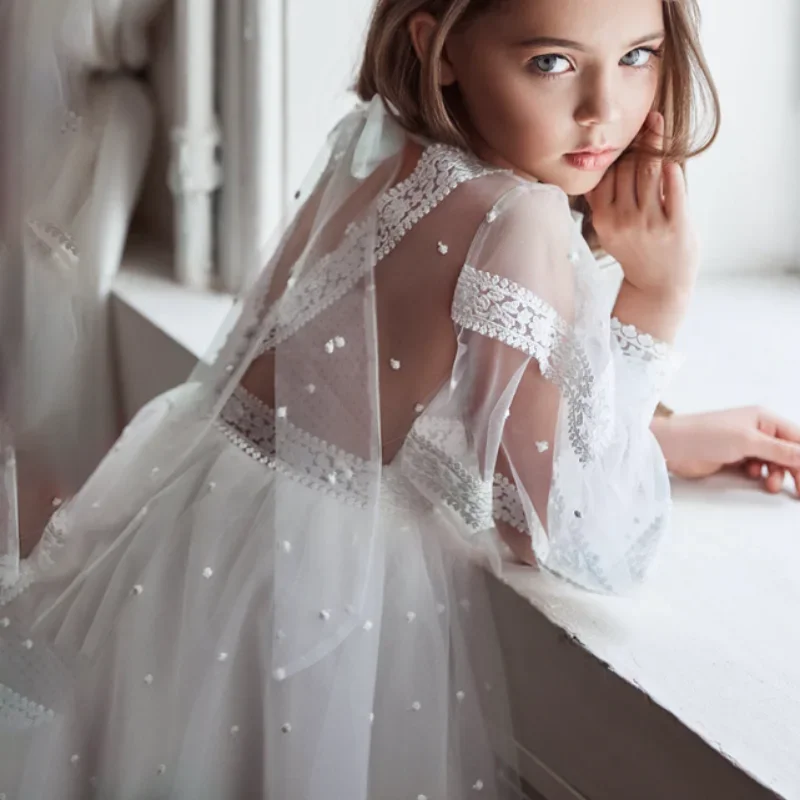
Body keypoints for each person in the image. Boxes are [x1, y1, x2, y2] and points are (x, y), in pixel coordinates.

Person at [1, 0, 800, 797]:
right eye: (552, 63)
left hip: (202, 532)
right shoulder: (516, 215)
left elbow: (423, 412)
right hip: (301, 602)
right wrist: (655, 304)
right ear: (439, 46)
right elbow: (563, 534)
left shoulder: (381, 137)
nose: (605, 110)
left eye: (638, 55)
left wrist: (660, 438)